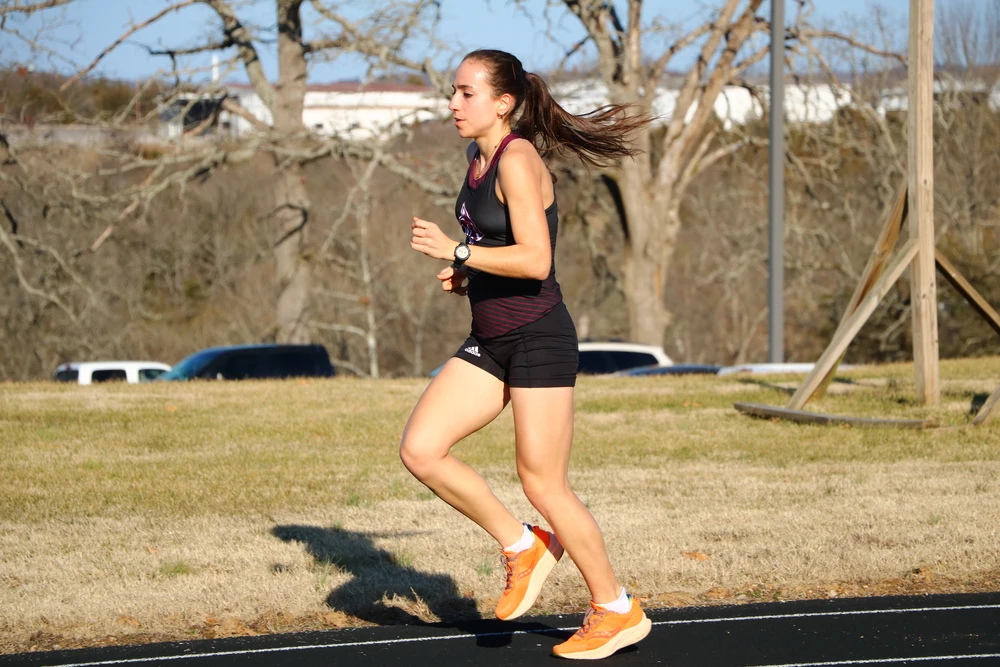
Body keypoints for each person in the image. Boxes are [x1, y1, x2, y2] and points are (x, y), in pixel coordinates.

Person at [401, 48, 651, 660]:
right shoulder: (477, 157)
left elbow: (537, 260)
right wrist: (469, 276)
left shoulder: (516, 160)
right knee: (421, 449)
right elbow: (497, 243)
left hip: (538, 334)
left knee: (544, 482)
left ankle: (616, 609)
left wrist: (456, 254)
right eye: (452, 93)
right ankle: (523, 546)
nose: (453, 104)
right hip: (489, 337)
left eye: (465, 93)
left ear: (503, 102)